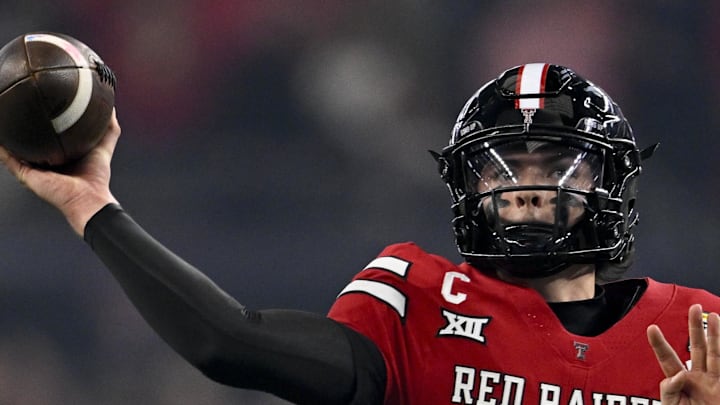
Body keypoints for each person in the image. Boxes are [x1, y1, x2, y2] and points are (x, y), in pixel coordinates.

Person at [1, 63, 719, 404]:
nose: (525, 183)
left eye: (556, 161)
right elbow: (229, 341)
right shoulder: (418, 300)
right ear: (467, 187)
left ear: (611, 182)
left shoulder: (701, 334)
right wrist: (91, 205)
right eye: (502, 164)